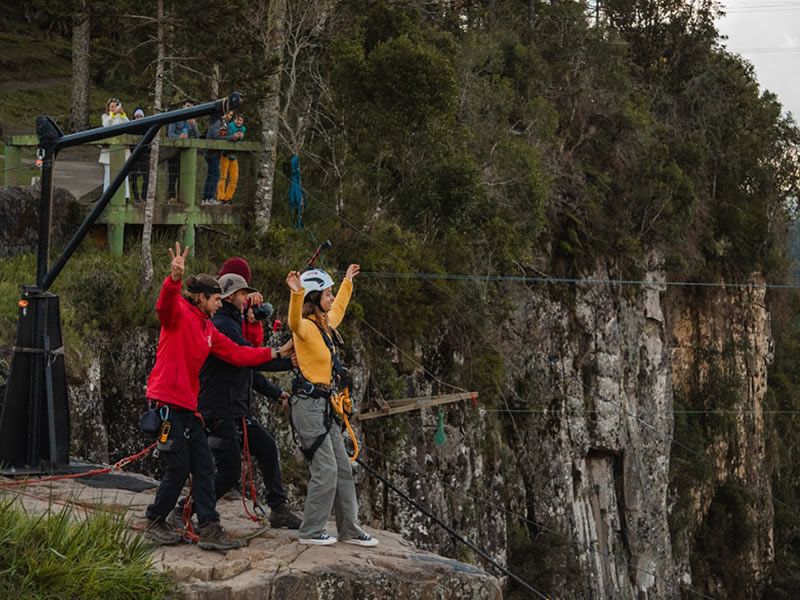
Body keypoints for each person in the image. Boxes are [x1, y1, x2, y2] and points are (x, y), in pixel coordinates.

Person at [143, 242, 292, 550]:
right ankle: (156, 520)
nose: (218, 305)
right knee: (180, 466)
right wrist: (174, 279)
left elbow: (239, 354)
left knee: (204, 467)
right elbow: (164, 306)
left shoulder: (207, 328)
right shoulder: (179, 315)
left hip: (190, 406)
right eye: (214, 300)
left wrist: (276, 351)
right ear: (201, 298)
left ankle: (210, 528)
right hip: (169, 403)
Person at [168, 273, 302, 532]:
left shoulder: (232, 322)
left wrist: (275, 392)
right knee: (228, 471)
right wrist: (286, 361)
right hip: (219, 408)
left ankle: (279, 508)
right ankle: (184, 509)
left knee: (266, 447)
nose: (247, 299)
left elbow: (247, 366)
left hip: (233, 407)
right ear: (231, 297)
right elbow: (246, 358)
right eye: (243, 294)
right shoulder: (222, 324)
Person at [285, 265, 378, 547]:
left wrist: (348, 282)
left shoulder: (325, 326)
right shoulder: (305, 330)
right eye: (326, 293)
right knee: (325, 469)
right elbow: (293, 322)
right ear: (314, 298)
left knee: (342, 467)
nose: (331, 297)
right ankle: (311, 530)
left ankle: (348, 529)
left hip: (324, 407)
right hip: (309, 407)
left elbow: (338, 310)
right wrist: (296, 293)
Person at [166, 100, 200, 203]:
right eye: (188, 106)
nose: (189, 108)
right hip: (173, 151)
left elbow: (197, 137)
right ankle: (171, 197)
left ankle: (182, 198)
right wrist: (179, 137)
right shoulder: (176, 117)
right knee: (173, 175)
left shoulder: (192, 120)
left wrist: (194, 125)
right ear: (183, 106)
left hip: (186, 153)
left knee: (184, 175)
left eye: (191, 107)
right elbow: (170, 134)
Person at [99, 97, 130, 199]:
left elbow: (128, 124)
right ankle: (107, 194)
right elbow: (106, 125)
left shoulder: (121, 117)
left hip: (121, 148)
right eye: (111, 106)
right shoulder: (105, 116)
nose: (113, 108)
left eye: (115, 106)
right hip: (109, 149)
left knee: (122, 172)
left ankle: (125, 195)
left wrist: (122, 113)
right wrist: (113, 114)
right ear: (108, 108)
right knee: (108, 172)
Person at [217, 112, 245, 205]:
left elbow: (241, 141)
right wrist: (233, 137)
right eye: (237, 119)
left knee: (234, 178)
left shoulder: (243, 129)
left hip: (234, 155)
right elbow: (222, 136)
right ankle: (221, 197)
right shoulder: (226, 125)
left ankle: (228, 197)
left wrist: (241, 137)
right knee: (223, 176)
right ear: (234, 120)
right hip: (225, 153)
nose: (239, 122)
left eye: (241, 120)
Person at [202, 112, 229, 205]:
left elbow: (224, 135)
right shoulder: (216, 120)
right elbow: (217, 136)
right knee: (216, 174)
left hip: (217, 152)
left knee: (212, 174)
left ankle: (206, 198)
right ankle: (208, 198)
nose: (229, 116)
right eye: (228, 113)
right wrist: (231, 137)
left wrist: (230, 137)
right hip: (210, 151)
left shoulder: (224, 123)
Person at [130, 107, 150, 203]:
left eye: (140, 116)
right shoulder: (131, 127)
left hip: (144, 154)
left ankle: (144, 196)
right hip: (133, 154)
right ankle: (136, 197)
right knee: (133, 176)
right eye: (137, 116)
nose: (139, 118)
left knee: (146, 176)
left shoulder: (147, 127)